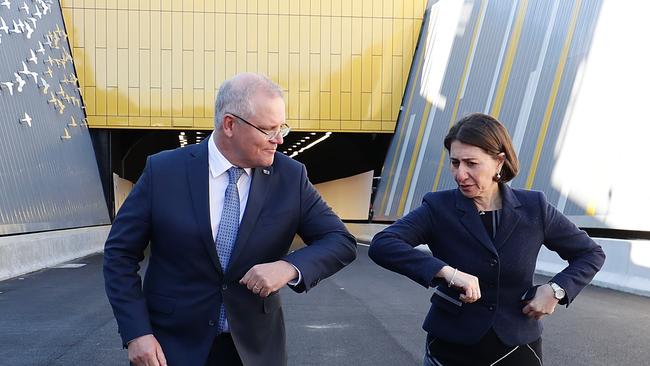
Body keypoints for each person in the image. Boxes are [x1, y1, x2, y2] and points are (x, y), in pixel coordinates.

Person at [103, 73, 357, 366]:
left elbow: (340, 241)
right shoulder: (164, 171)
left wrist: (289, 267)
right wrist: (137, 333)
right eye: (268, 129)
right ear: (229, 124)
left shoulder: (291, 177)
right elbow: (119, 254)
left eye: (281, 127)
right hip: (170, 348)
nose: (279, 139)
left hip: (254, 352)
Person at [369, 113, 605, 366]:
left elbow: (590, 253)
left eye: (471, 163)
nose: (460, 174)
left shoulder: (534, 207)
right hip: (451, 346)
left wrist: (557, 290)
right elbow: (384, 244)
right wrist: (447, 272)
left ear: (499, 162)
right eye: (455, 163)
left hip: (517, 347)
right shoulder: (438, 207)